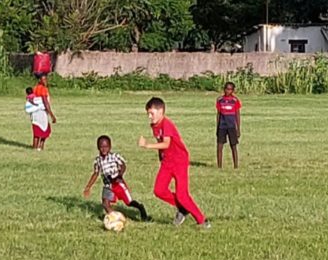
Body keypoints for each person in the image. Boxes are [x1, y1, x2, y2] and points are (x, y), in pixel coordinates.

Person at [137, 97, 208, 228]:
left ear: (161, 111)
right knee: (159, 190)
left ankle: (202, 220)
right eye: (148, 113)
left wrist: (147, 145)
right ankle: (183, 209)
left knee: (182, 195)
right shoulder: (154, 125)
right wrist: (161, 157)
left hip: (179, 161)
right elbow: (161, 144)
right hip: (167, 162)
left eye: (151, 113)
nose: (149, 116)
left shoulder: (166, 124)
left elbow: (166, 143)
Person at [83, 135, 150, 221]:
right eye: (101, 147)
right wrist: (88, 187)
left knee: (129, 202)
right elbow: (96, 173)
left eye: (106, 147)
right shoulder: (98, 160)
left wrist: (120, 175)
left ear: (110, 147)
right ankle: (114, 219)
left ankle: (140, 208)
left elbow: (123, 165)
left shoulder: (114, 156)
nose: (104, 149)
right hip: (108, 184)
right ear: (98, 147)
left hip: (117, 182)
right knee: (105, 203)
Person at [215, 81, 241, 169]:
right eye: (226, 89)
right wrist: (217, 127)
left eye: (230, 89)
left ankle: (236, 165)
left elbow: (237, 115)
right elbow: (218, 114)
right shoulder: (220, 100)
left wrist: (238, 128)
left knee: (233, 146)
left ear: (233, 90)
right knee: (219, 146)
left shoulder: (235, 101)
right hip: (222, 126)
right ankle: (219, 166)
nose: (228, 91)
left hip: (231, 126)